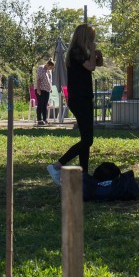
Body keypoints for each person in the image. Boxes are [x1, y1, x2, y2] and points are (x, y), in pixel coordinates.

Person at [50, 25, 103, 181]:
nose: (93, 40)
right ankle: (57, 165)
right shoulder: (76, 52)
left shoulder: (82, 52)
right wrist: (93, 51)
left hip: (84, 97)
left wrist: (97, 54)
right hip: (79, 98)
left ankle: (84, 174)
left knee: (85, 138)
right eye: (91, 37)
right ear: (85, 37)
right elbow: (91, 66)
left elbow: (97, 64)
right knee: (88, 139)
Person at [33, 58, 54, 126]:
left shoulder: (49, 71)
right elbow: (38, 79)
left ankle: (45, 119)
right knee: (40, 104)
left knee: (45, 105)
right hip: (40, 89)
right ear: (47, 64)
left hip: (46, 90)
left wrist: (50, 88)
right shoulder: (41, 68)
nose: (50, 69)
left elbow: (49, 80)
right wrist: (38, 89)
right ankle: (39, 119)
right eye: (50, 67)